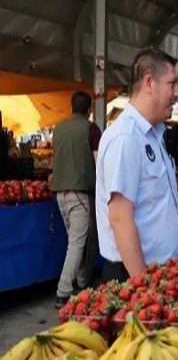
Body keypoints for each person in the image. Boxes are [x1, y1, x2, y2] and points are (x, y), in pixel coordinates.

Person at [96, 48, 178, 282]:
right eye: (172, 83)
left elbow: (147, 202)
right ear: (149, 83)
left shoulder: (154, 134)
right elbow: (120, 218)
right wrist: (143, 288)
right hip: (135, 276)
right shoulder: (126, 138)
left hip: (162, 272)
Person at [51, 91, 102, 308]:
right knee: (78, 243)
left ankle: (82, 280)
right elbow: (98, 161)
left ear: (71, 107)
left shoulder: (58, 129)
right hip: (80, 192)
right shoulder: (91, 129)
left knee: (79, 239)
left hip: (59, 193)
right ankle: (64, 290)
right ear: (89, 109)